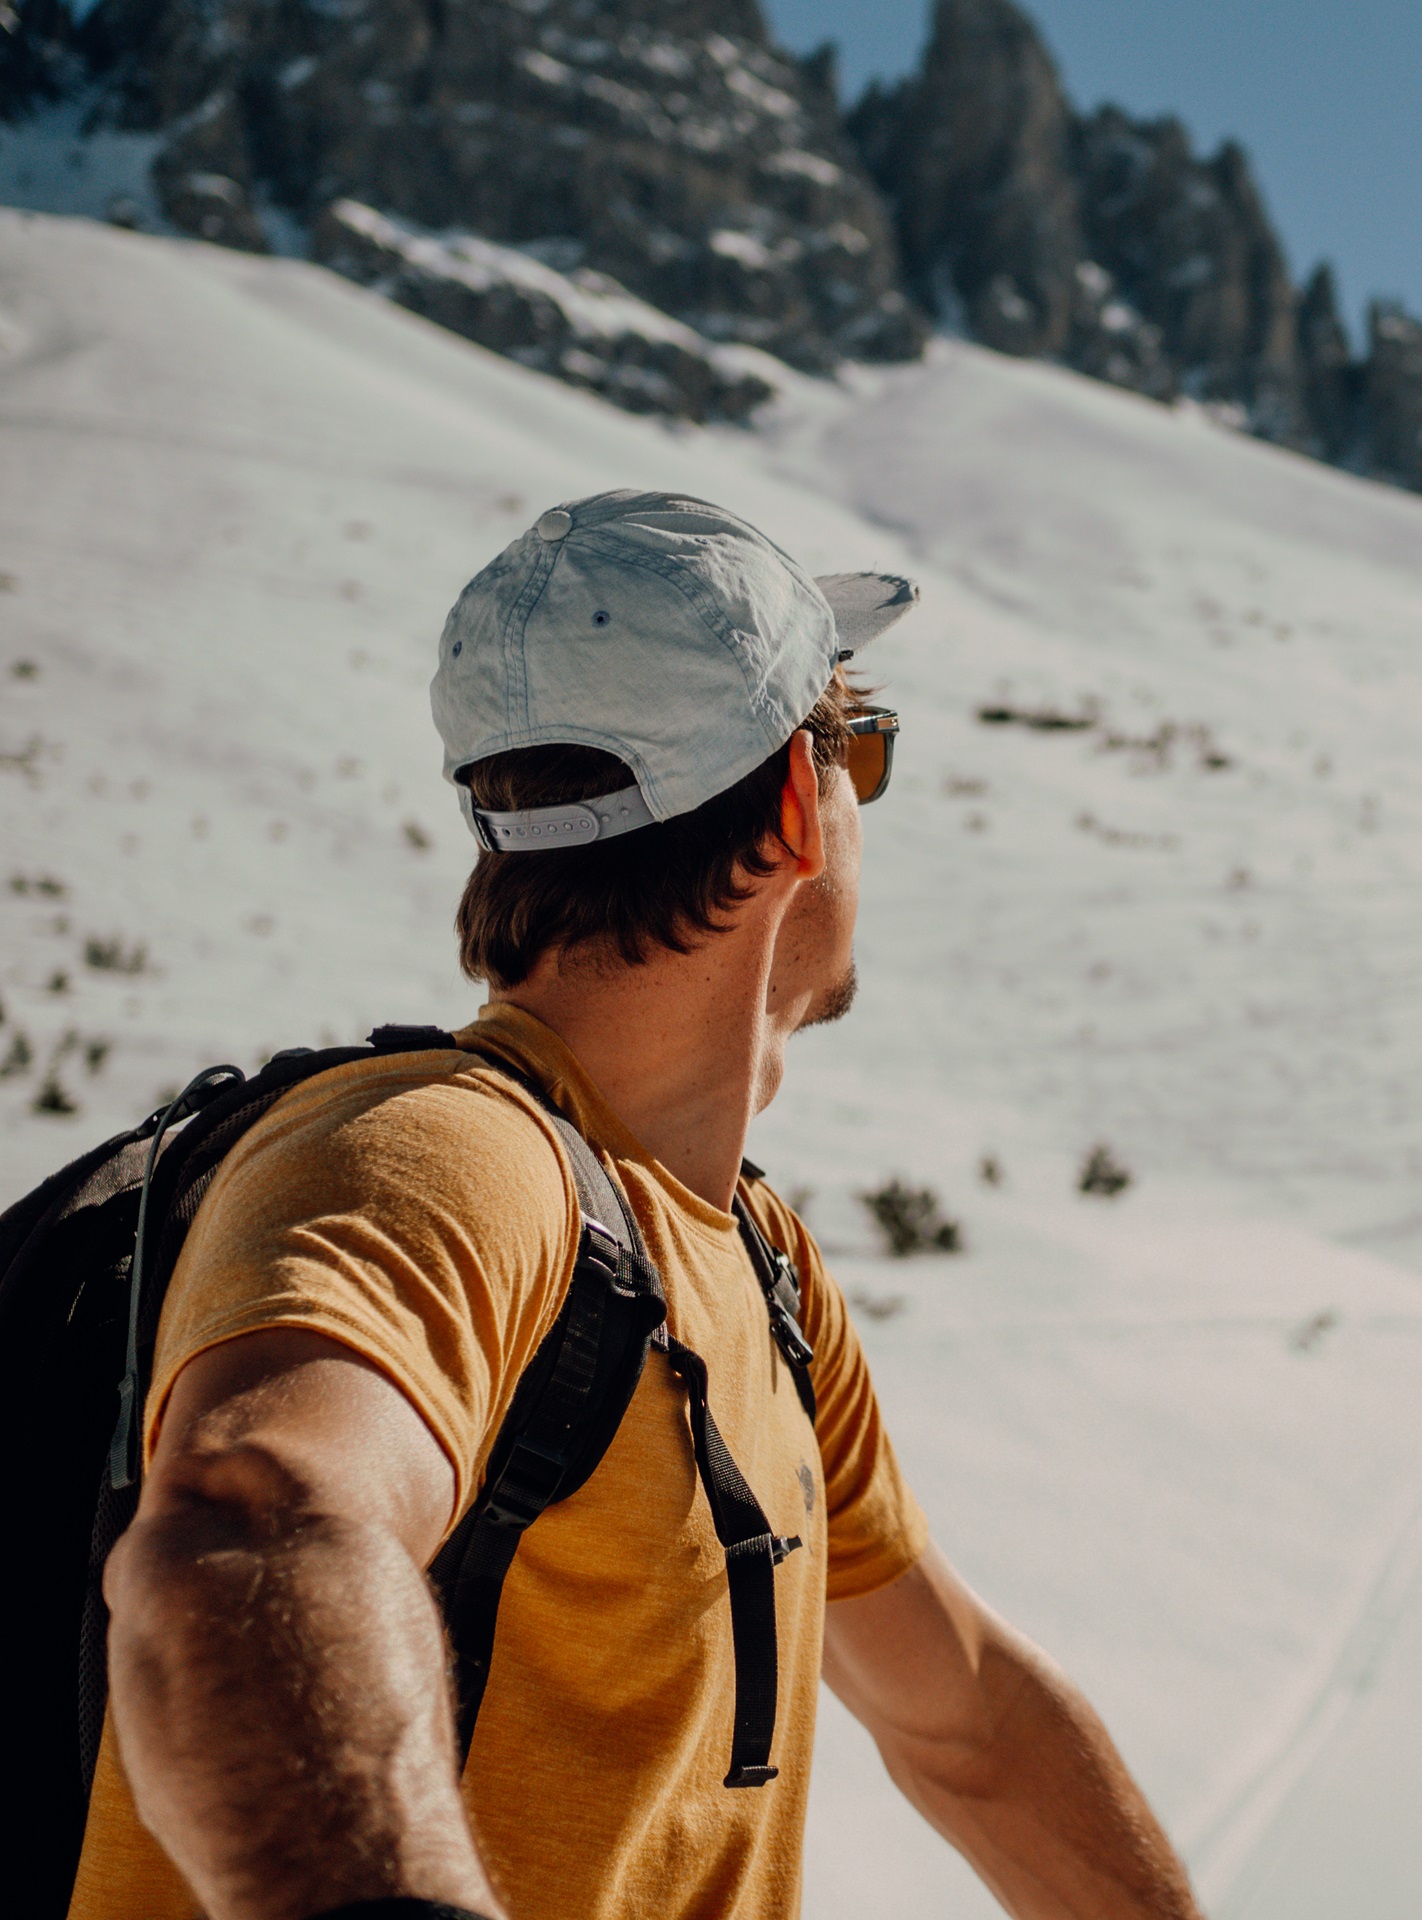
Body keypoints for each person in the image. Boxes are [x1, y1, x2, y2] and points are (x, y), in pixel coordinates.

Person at [69, 492, 1203, 1920]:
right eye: (863, 750)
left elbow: (964, 1722)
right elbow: (254, 1523)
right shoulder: (449, 1161)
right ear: (800, 801)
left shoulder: (761, 1269)